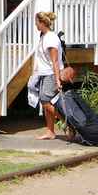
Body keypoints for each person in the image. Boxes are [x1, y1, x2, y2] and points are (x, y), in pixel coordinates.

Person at [32, 11, 64, 140]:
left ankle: (69, 123)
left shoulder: (50, 38)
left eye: (36, 23)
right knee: (47, 103)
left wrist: (57, 79)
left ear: (42, 23)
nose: (35, 25)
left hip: (51, 75)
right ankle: (50, 131)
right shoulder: (44, 36)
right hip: (45, 74)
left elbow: (55, 61)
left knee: (45, 102)